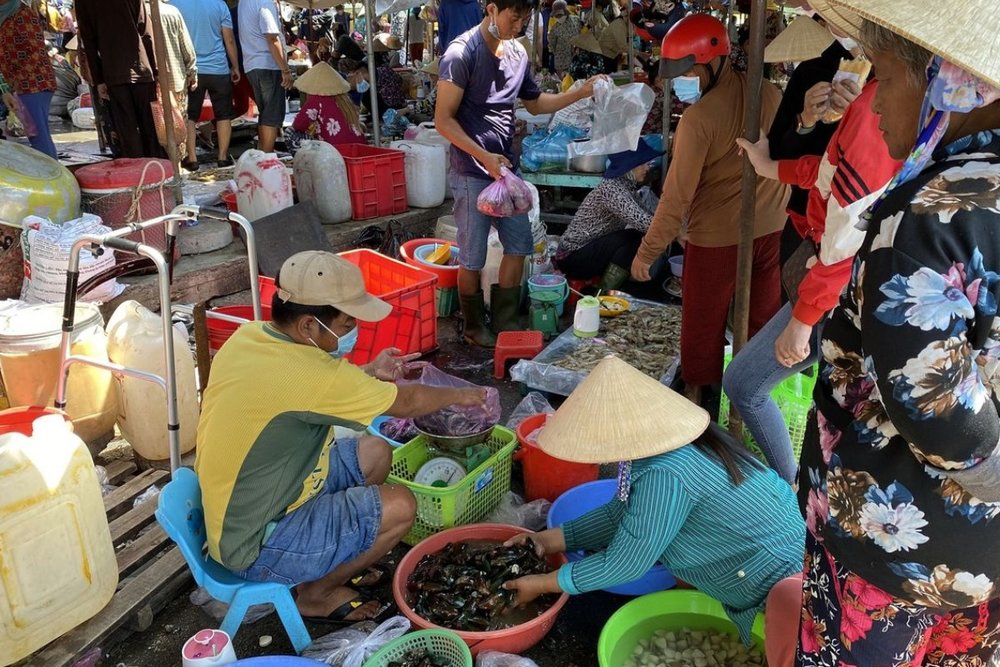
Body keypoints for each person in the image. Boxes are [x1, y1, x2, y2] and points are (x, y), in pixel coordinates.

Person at [791, 1, 1000, 663]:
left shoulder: (930, 215)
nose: (874, 105)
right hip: (982, 557)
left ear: (948, 81)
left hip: (899, 553)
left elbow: (945, 420)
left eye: (883, 74)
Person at [196, 250, 488, 623]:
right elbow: (409, 400)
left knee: (376, 451)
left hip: (251, 504)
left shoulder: (251, 338)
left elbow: (309, 393)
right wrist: (465, 394)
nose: (353, 332)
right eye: (347, 323)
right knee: (401, 506)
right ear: (307, 327)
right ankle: (315, 594)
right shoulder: (310, 374)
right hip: (256, 545)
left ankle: (333, 560)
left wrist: (370, 371)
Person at [502, 356, 806, 667]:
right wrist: (547, 541)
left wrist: (541, 584)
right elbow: (618, 513)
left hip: (783, 585)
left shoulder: (666, 472)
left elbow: (625, 564)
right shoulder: (665, 444)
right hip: (766, 557)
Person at [721, 2, 899, 484]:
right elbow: (826, 175)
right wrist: (773, 161)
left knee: (743, 382)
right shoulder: (865, 94)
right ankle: (798, 489)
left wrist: (803, 319)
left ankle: (792, 495)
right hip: (827, 265)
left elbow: (847, 230)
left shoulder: (874, 107)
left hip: (837, 281)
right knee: (817, 397)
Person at [630, 14, 789, 414]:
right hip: (772, 230)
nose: (683, 82)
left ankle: (701, 414)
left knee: (701, 334)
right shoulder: (770, 93)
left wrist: (647, 253)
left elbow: (675, 199)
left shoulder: (698, 120)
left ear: (714, 61)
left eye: (690, 71)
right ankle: (750, 409)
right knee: (758, 330)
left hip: (717, 239)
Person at [435, 0, 602, 348]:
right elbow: (443, 120)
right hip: (472, 170)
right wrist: (483, 156)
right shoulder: (461, 53)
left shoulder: (518, 54)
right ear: (492, 9)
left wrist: (579, 93)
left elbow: (535, 103)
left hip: (508, 170)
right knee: (473, 256)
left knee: (519, 246)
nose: (520, 25)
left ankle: (504, 321)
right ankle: (472, 326)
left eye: (526, 18)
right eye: (515, 17)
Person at [767, 12, 851, 273]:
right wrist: (806, 120)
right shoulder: (812, 69)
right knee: (795, 299)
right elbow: (778, 151)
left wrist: (860, 115)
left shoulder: (886, 76)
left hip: (856, 225)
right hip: (806, 218)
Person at [555, 139, 662, 291]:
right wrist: (674, 230)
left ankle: (611, 287)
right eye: (643, 163)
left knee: (633, 237)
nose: (648, 167)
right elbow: (644, 222)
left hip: (589, 250)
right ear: (630, 166)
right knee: (630, 238)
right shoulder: (611, 189)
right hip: (571, 257)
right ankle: (605, 293)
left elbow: (647, 213)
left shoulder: (626, 186)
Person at [76, 0, 161, 158]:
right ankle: (158, 169)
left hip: (113, 72)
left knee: (127, 129)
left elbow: (89, 41)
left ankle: (138, 172)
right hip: (141, 68)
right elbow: (145, 31)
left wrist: (99, 79)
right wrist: (155, 70)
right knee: (150, 128)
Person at [172, 0, 241, 168]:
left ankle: (192, 158)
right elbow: (229, 39)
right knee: (223, 114)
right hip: (218, 68)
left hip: (190, 69)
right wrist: (235, 66)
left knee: (190, 115)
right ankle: (222, 157)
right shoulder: (219, 5)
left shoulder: (175, 4)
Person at [0, 0, 57, 159]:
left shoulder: (23, 14)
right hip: (19, 85)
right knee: (37, 135)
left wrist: (14, 84)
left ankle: (52, 177)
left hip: (33, 84)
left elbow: (35, 52)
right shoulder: (5, 15)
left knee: (38, 136)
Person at [239, 0, 292, 152]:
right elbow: (272, 38)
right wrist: (285, 69)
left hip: (252, 63)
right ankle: (267, 157)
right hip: (267, 64)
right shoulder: (264, 3)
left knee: (266, 112)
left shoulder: (245, 3)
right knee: (272, 114)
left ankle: (264, 154)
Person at [151, 0, 198, 163]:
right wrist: (192, 70)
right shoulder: (172, 12)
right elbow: (186, 46)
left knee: (156, 127)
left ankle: (163, 164)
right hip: (176, 79)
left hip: (152, 82)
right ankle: (176, 164)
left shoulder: (141, 13)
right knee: (178, 125)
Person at [284, 62, 365, 153]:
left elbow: (298, 124)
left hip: (335, 153)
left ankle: (304, 163)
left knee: (290, 133)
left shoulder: (317, 99)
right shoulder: (345, 99)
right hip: (359, 149)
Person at [547, 0, 581, 75]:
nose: (558, 18)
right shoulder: (554, 28)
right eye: (556, 16)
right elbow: (551, 45)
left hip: (575, 58)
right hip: (560, 61)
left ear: (565, 12)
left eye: (560, 15)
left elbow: (582, 33)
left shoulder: (576, 20)